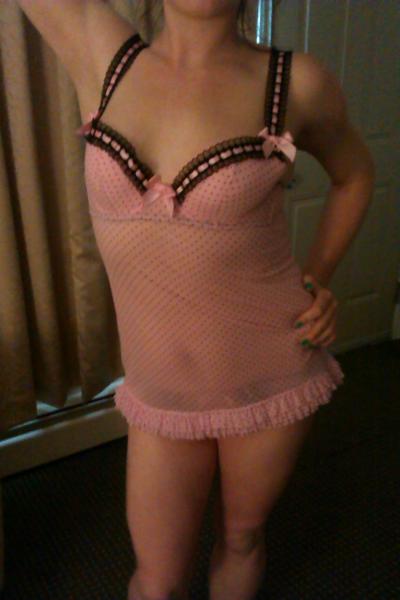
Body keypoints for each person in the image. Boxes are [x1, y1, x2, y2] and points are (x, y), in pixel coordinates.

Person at [16, 1, 375, 599]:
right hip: (161, 393)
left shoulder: (296, 83)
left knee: (241, 538)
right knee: (156, 581)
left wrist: (317, 277)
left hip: (269, 370)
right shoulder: (101, 52)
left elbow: (355, 175)